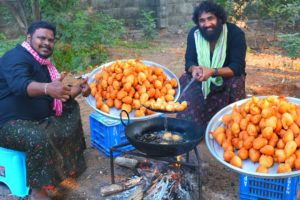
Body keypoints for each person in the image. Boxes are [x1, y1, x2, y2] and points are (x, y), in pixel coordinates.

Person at [0, 21, 91, 199]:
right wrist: (47, 88)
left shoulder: (44, 64)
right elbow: (20, 85)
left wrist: (79, 88)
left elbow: (58, 96)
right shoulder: (15, 57)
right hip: (8, 124)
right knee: (36, 137)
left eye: (51, 40)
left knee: (71, 107)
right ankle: (37, 189)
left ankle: (68, 165)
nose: (47, 43)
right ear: (29, 38)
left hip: (39, 117)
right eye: (41, 38)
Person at [177, 1, 247, 126]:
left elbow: (237, 67)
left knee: (237, 80)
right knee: (186, 79)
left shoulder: (235, 34)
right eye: (202, 20)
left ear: (219, 19)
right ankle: (192, 124)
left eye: (210, 18)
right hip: (201, 80)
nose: (207, 24)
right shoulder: (195, 34)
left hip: (225, 82)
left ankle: (232, 124)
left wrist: (213, 72)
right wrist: (194, 69)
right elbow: (189, 61)